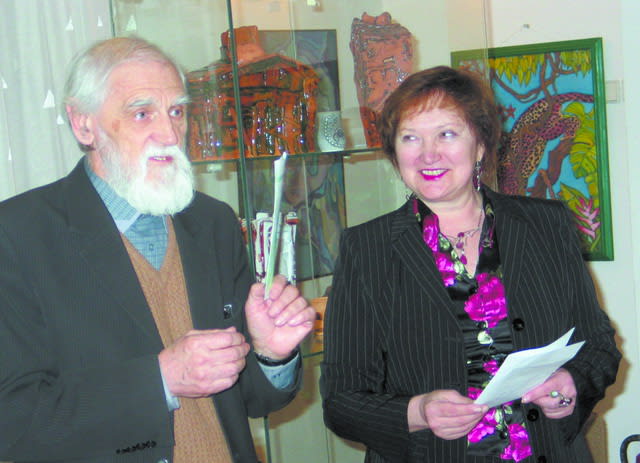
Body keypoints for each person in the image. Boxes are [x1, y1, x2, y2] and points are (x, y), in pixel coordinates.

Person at [0, 36, 315, 463]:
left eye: (177, 111)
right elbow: (14, 423)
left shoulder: (213, 222)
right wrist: (161, 379)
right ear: (83, 124)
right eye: (142, 113)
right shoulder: (18, 235)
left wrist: (271, 354)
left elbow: (250, 400)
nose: (170, 134)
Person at [320, 66, 620, 462]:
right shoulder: (366, 249)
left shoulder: (547, 225)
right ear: (394, 153)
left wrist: (572, 383)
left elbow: (598, 345)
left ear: (479, 144)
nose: (428, 154)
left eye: (446, 134)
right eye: (410, 137)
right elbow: (341, 401)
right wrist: (417, 412)